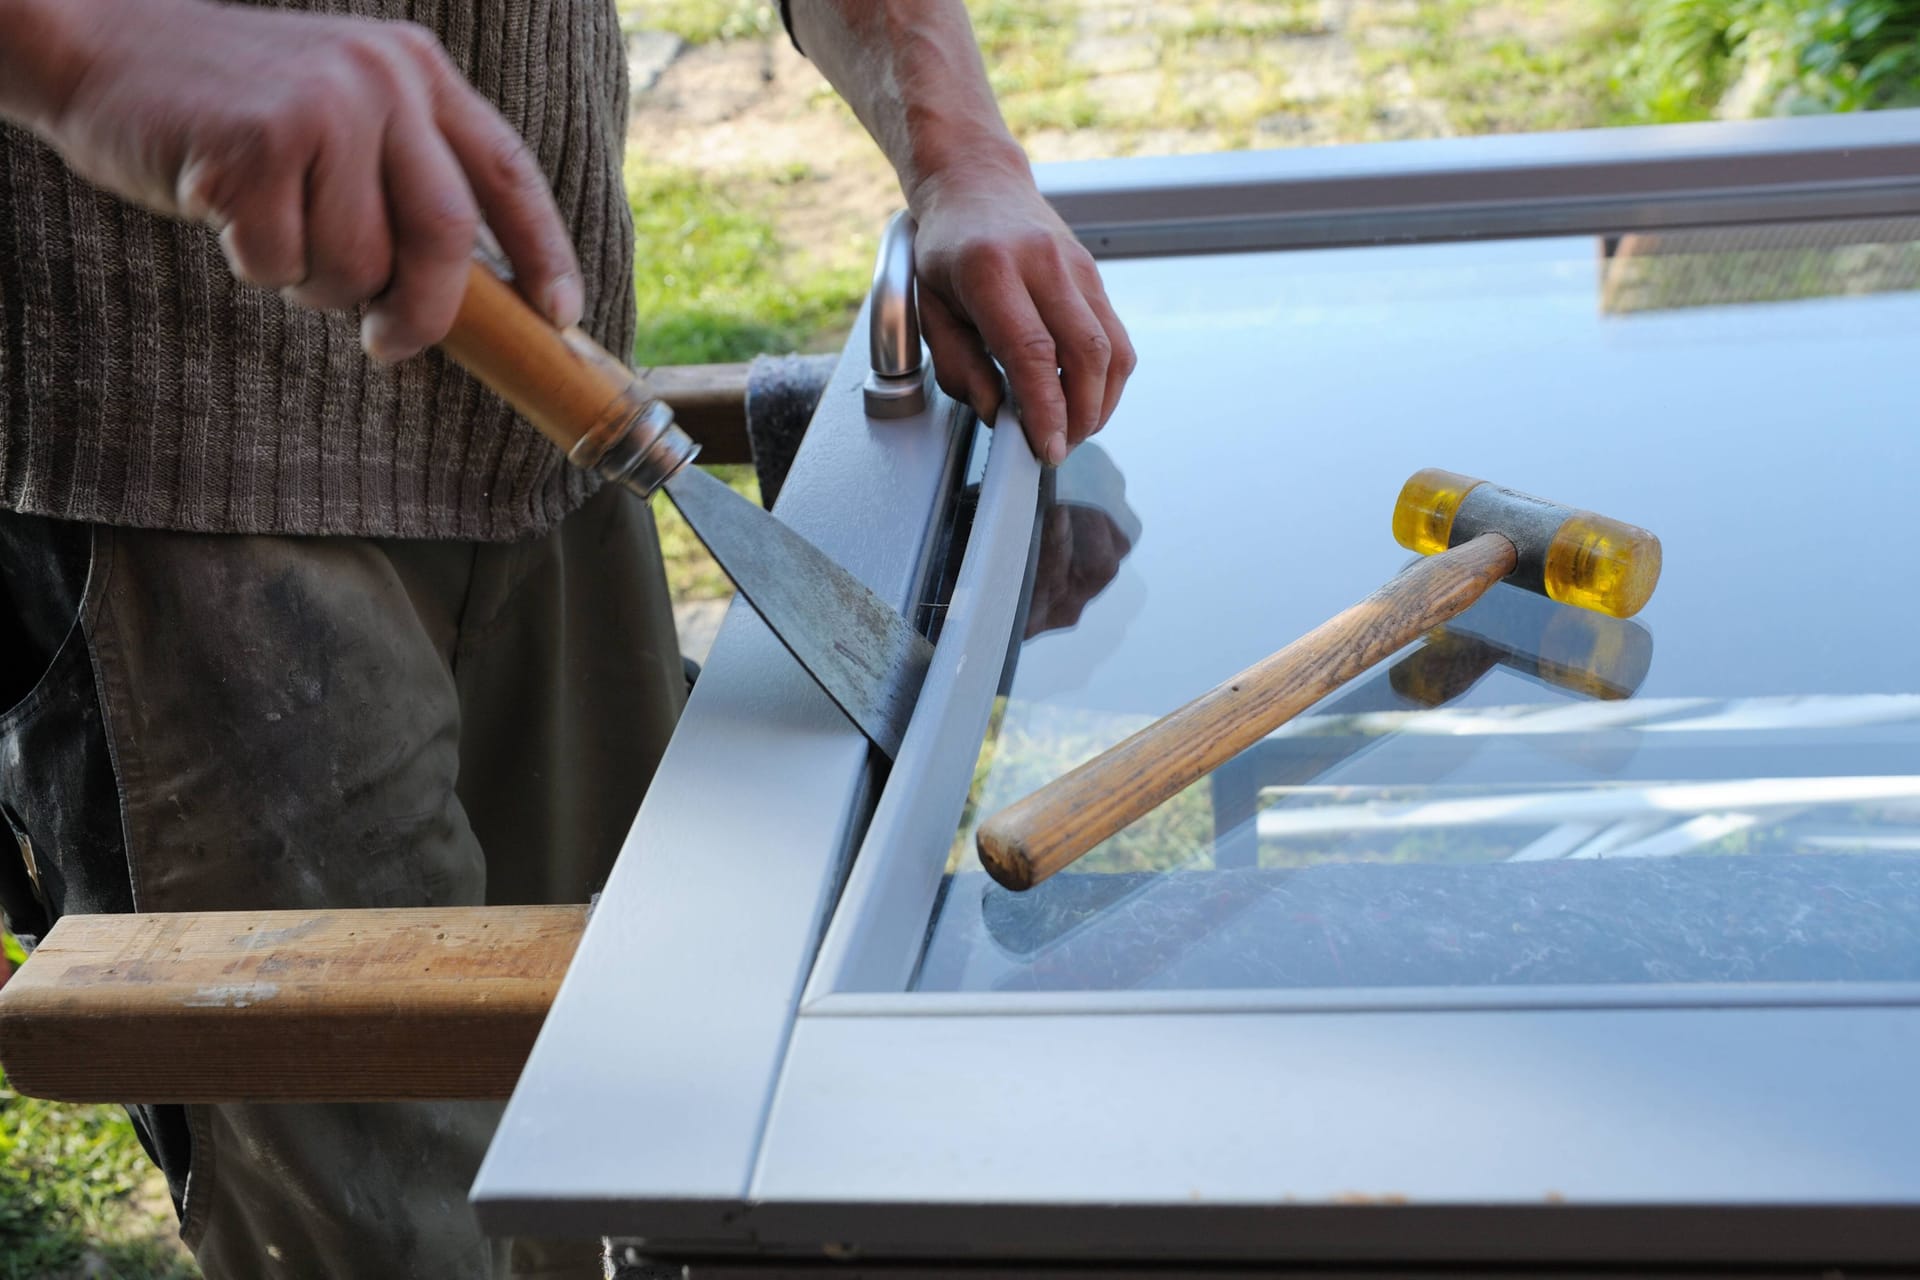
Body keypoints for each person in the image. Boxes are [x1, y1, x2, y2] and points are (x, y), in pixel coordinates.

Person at [0, 0, 1134, 1274]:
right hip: (171, 458)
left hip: (553, 409)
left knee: (645, 1120)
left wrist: (961, 151)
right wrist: (84, 43)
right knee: (395, 1223)